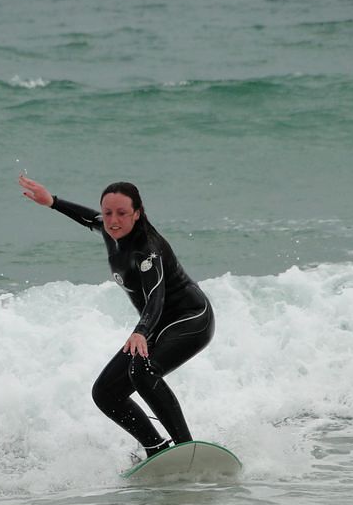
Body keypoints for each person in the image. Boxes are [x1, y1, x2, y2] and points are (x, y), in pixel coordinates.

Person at [18, 174, 215, 458]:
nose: (113, 220)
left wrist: (141, 331)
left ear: (137, 213)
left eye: (122, 213)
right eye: (108, 212)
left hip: (190, 319)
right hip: (154, 325)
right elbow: (89, 219)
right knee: (105, 393)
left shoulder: (147, 250)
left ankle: (186, 448)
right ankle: (156, 448)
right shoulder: (110, 230)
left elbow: (156, 296)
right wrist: (52, 202)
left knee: (143, 372)